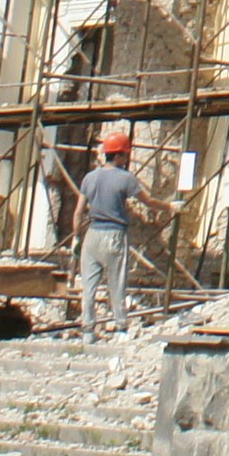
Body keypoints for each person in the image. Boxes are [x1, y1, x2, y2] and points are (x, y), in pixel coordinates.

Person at [71, 124, 144, 338]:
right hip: (114, 234)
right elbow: (148, 201)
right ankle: (120, 328)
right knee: (117, 282)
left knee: (89, 286)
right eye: (125, 155)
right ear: (120, 155)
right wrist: (169, 207)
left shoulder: (89, 178)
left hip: (91, 235)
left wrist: (76, 238)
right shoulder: (126, 178)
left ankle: (88, 330)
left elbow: (78, 212)